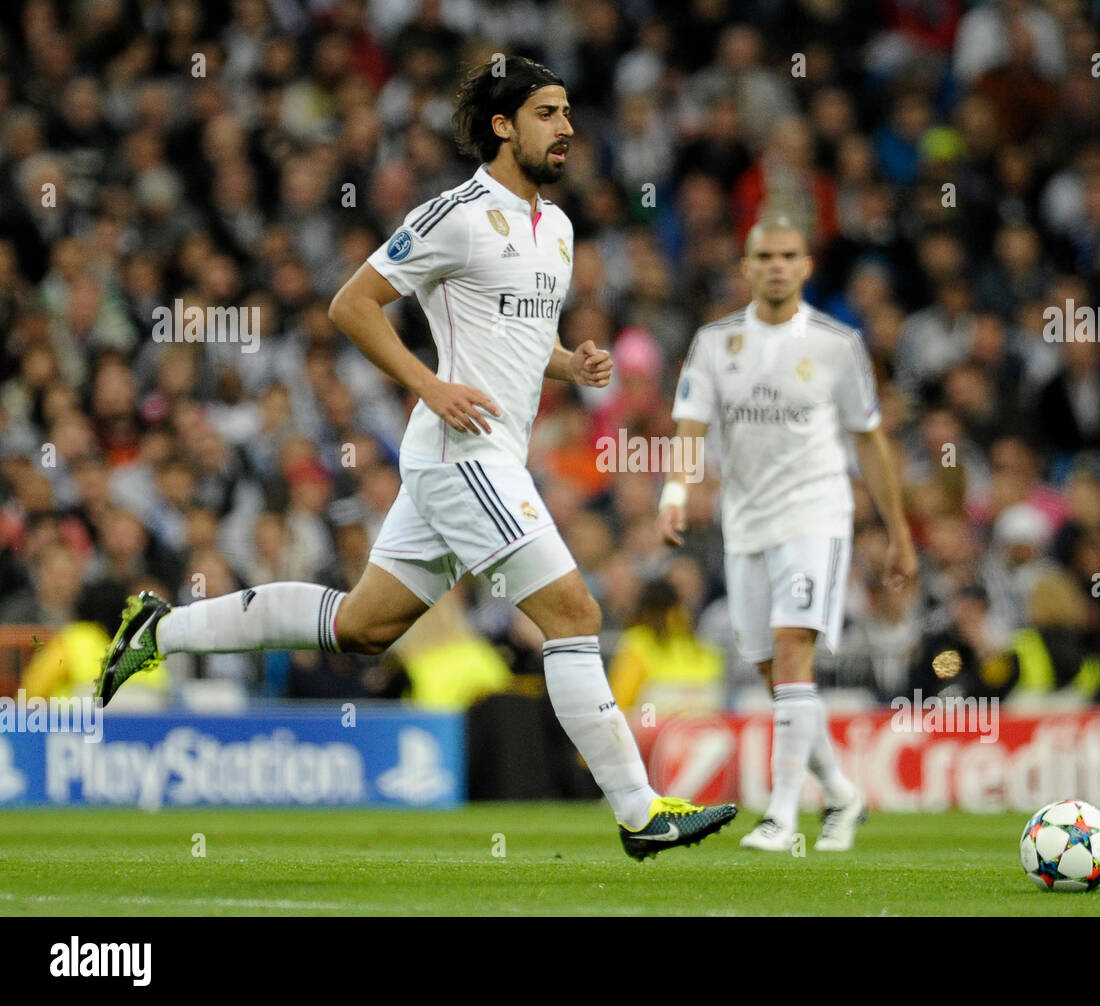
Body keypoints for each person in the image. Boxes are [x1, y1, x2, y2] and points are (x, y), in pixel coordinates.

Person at [95, 56, 735, 860]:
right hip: (461, 454)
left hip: (481, 456)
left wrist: (570, 363)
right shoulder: (456, 213)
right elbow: (351, 305)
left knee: (361, 626)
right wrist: (430, 385)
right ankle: (640, 813)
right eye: (547, 113)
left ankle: (162, 629)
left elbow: (512, 339)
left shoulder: (560, 229)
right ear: (503, 126)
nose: (567, 127)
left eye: (569, 112)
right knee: (574, 615)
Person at [658, 216, 917, 852]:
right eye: (764, 255)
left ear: (806, 266)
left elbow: (871, 442)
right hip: (745, 525)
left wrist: (898, 529)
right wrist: (675, 492)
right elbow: (689, 425)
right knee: (775, 674)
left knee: (793, 649)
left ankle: (780, 816)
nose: (776, 265)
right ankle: (843, 793)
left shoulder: (837, 344)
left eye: (788, 255)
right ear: (746, 267)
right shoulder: (715, 343)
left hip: (816, 516)